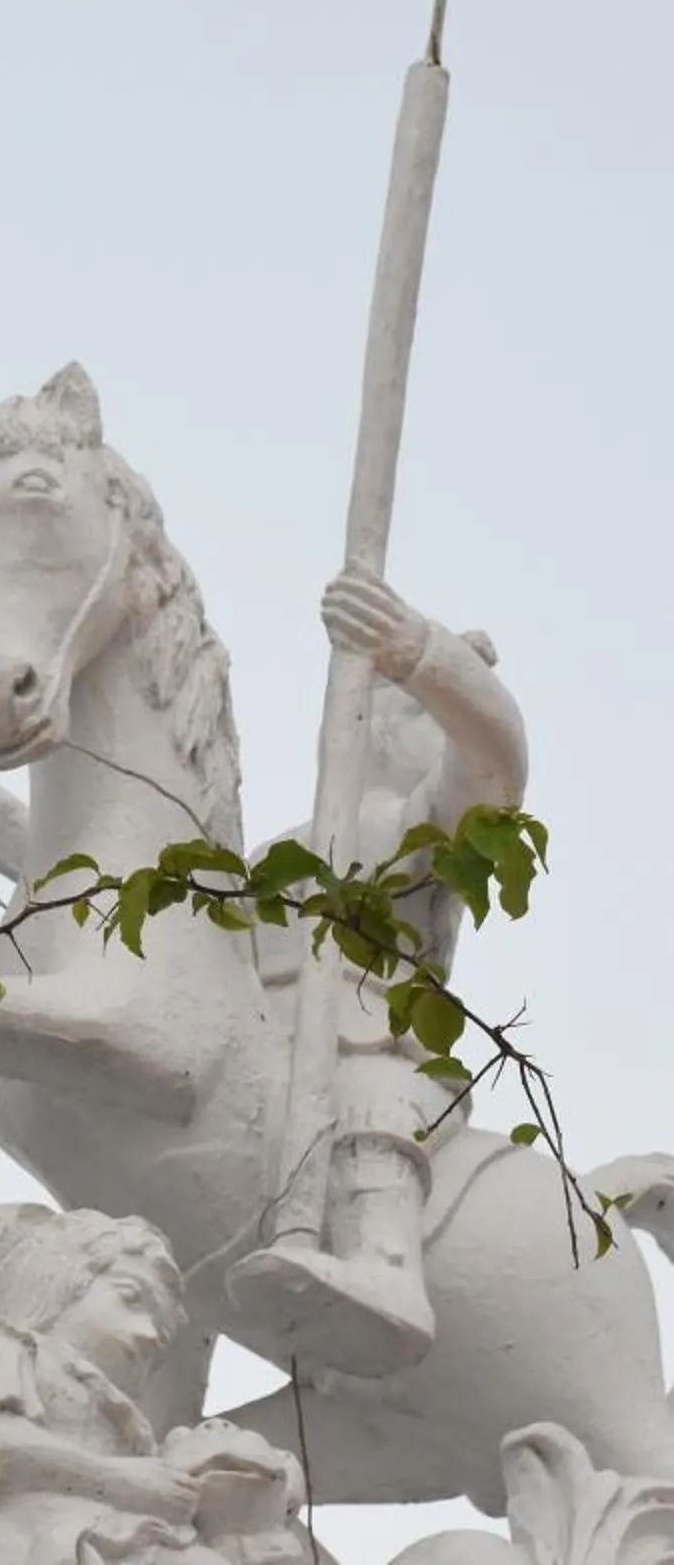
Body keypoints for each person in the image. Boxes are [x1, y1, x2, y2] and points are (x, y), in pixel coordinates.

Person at [229, 571, 526, 1377]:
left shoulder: (423, 828)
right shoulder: (288, 848)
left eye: (420, 715)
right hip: (256, 1034)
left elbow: (495, 761)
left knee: (371, 1096)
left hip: (369, 1042)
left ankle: (385, 1266)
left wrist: (418, 652)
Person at [0, 1209, 307, 1565]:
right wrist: (122, 1480)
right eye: (130, 1298)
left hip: (130, 1533)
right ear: (65, 1279)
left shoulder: (122, 1414)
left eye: (159, 1335)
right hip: (56, 1539)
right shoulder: (11, 1348)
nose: (146, 1334)